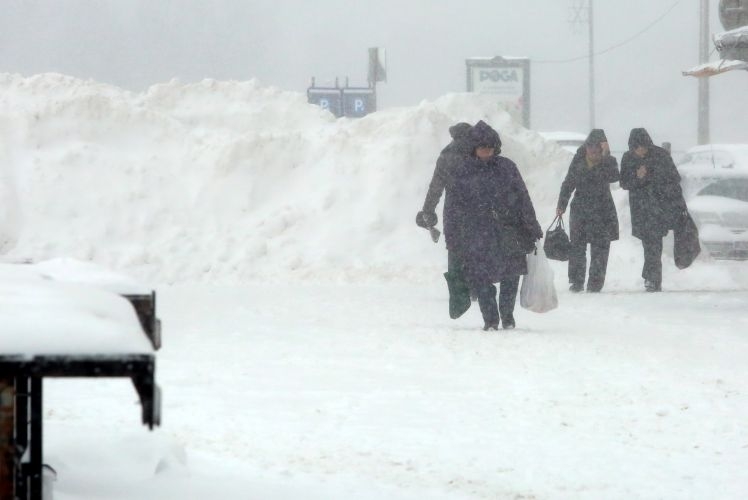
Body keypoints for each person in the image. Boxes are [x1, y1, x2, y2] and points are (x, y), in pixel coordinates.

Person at [448, 120, 542, 330]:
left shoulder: (507, 167)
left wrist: (531, 225)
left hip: (509, 231)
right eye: (482, 147)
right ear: (473, 148)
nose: (486, 151)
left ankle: (507, 315)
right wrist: (452, 236)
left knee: (511, 274)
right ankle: (490, 319)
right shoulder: (462, 171)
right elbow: (452, 207)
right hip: (477, 233)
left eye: (490, 147)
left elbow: (522, 198)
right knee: (482, 278)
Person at [416, 122, 475, 318]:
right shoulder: (476, 152)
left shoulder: (447, 155)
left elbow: (436, 186)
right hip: (477, 209)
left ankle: (458, 296)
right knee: (477, 248)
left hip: (454, 211)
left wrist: (428, 210)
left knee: (455, 252)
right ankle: (476, 286)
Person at [620, 128, 687, 292]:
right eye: (636, 148)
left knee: (653, 243)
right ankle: (652, 278)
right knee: (649, 244)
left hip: (659, 207)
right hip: (640, 209)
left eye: (643, 147)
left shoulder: (660, 155)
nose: (640, 151)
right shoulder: (628, 158)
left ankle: (652, 279)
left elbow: (675, 178)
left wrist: (654, 177)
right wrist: (637, 177)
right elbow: (624, 183)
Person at [555, 129, 620, 293]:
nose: (593, 151)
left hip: (603, 211)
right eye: (590, 147)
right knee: (577, 247)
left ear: (602, 148)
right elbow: (568, 183)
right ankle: (576, 282)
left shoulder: (608, 162)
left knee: (600, 248)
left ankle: (595, 283)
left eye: (597, 147)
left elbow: (614, 176)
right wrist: (561, 204)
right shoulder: (578, 160)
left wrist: (606, 155)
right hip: (581, 210)